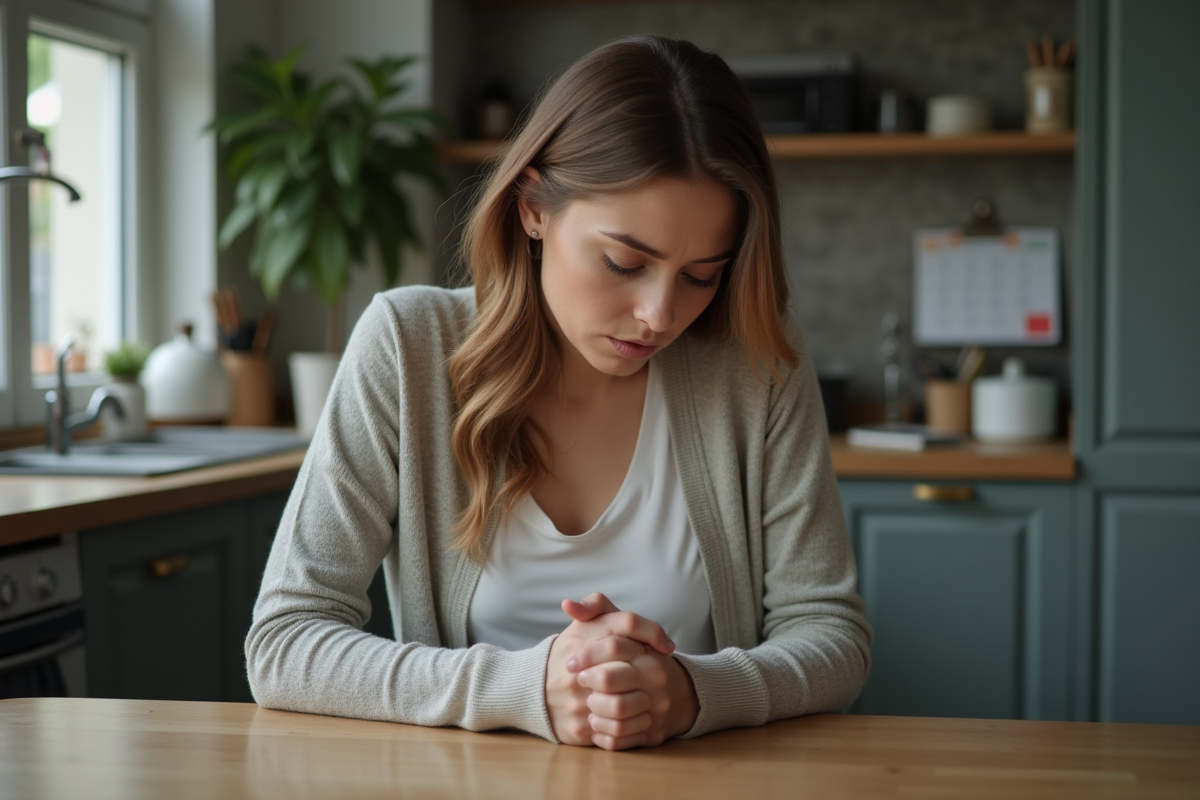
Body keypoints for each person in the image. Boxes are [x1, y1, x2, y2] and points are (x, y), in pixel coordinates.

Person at [246, 34, 872, 751]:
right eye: (623, 261)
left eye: (702, 275)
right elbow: (285, 644)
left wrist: (692, 694)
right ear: (533, 207)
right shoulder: (407, 345)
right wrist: (526, 687)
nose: (660, 315)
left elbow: (833, 636)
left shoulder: (754, 360)